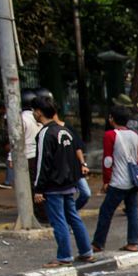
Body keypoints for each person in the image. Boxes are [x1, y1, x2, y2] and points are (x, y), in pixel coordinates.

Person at [30, 95, 93, 266]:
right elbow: (73, 158)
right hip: (69, 183)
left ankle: (64, 256)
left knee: (59, 220)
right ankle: (86, 251)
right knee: (73, 217)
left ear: (39, 112)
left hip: (54, 185)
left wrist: (38, 188)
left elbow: (43, 162)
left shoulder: (45, 134)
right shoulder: (65, 131)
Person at [92, 105, 138, 252]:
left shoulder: (110, 135)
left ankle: (98, 243)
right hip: (133, 180)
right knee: (132, 210)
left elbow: (108, 160)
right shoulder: (135, 135)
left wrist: (106, 181)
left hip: (117, 181)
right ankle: (133, 242)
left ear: (112, 119)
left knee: (106, 211)